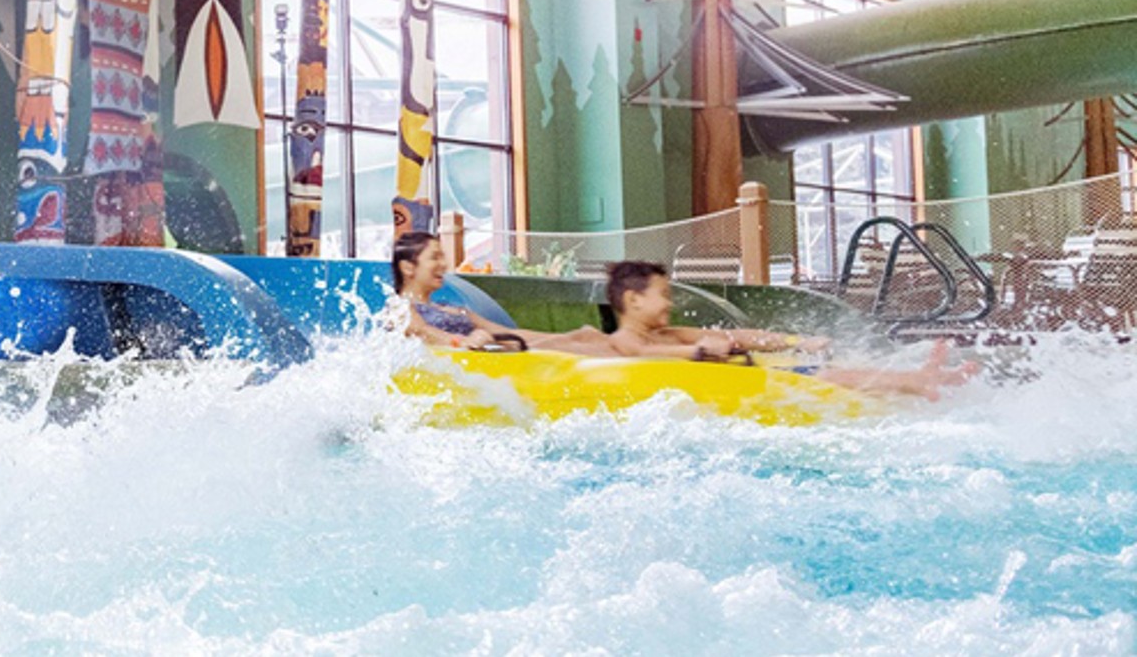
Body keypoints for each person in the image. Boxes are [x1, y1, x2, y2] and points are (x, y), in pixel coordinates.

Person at [603, 260, 977, 398]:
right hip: (747, 386)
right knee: (829, 377)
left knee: (834, 368)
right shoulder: (627, 339)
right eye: (663, 295)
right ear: (634, 300)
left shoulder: (669, 332)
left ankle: (919, 379)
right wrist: (696, 351)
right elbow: (640, 355)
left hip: (756, 375)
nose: (670, 303)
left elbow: (738, 338)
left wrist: (797, 341)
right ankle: (920, 380)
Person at [391, 232, 613, 354]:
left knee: (581, 339)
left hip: (491, 355)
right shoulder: (398, 308)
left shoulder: (452, 308)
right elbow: (422, 332)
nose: (443, 264)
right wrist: (463, 342)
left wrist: (566, 337)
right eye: (434, 257)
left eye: (442, 256)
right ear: (408, 267)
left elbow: (505, 332)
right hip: (469, 364)